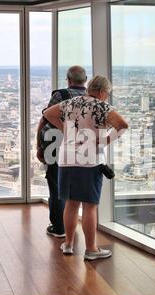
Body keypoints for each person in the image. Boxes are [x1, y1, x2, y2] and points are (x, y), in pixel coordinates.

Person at [43, 75, 128, 260]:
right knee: (90, 206)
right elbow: (122, 125)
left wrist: (64, 129)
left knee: (71, 204)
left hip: (66, 158)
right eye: (108, 94)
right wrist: (105, 140)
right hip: (89, 159)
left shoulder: (71, 102)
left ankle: (68, 244)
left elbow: (48, 113)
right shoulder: (102, 106)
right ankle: (91, 249)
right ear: (103, 92)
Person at [36, 66, 88, 238]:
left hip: (56, 145)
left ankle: (59, 227)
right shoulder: (91, 98)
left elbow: (45, 119)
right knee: (77, 187)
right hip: (82, 147)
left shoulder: (60, 95)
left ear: (68, 79)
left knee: (57, 185)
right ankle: (72, 224)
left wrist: (39, 146)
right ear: (85, 79)